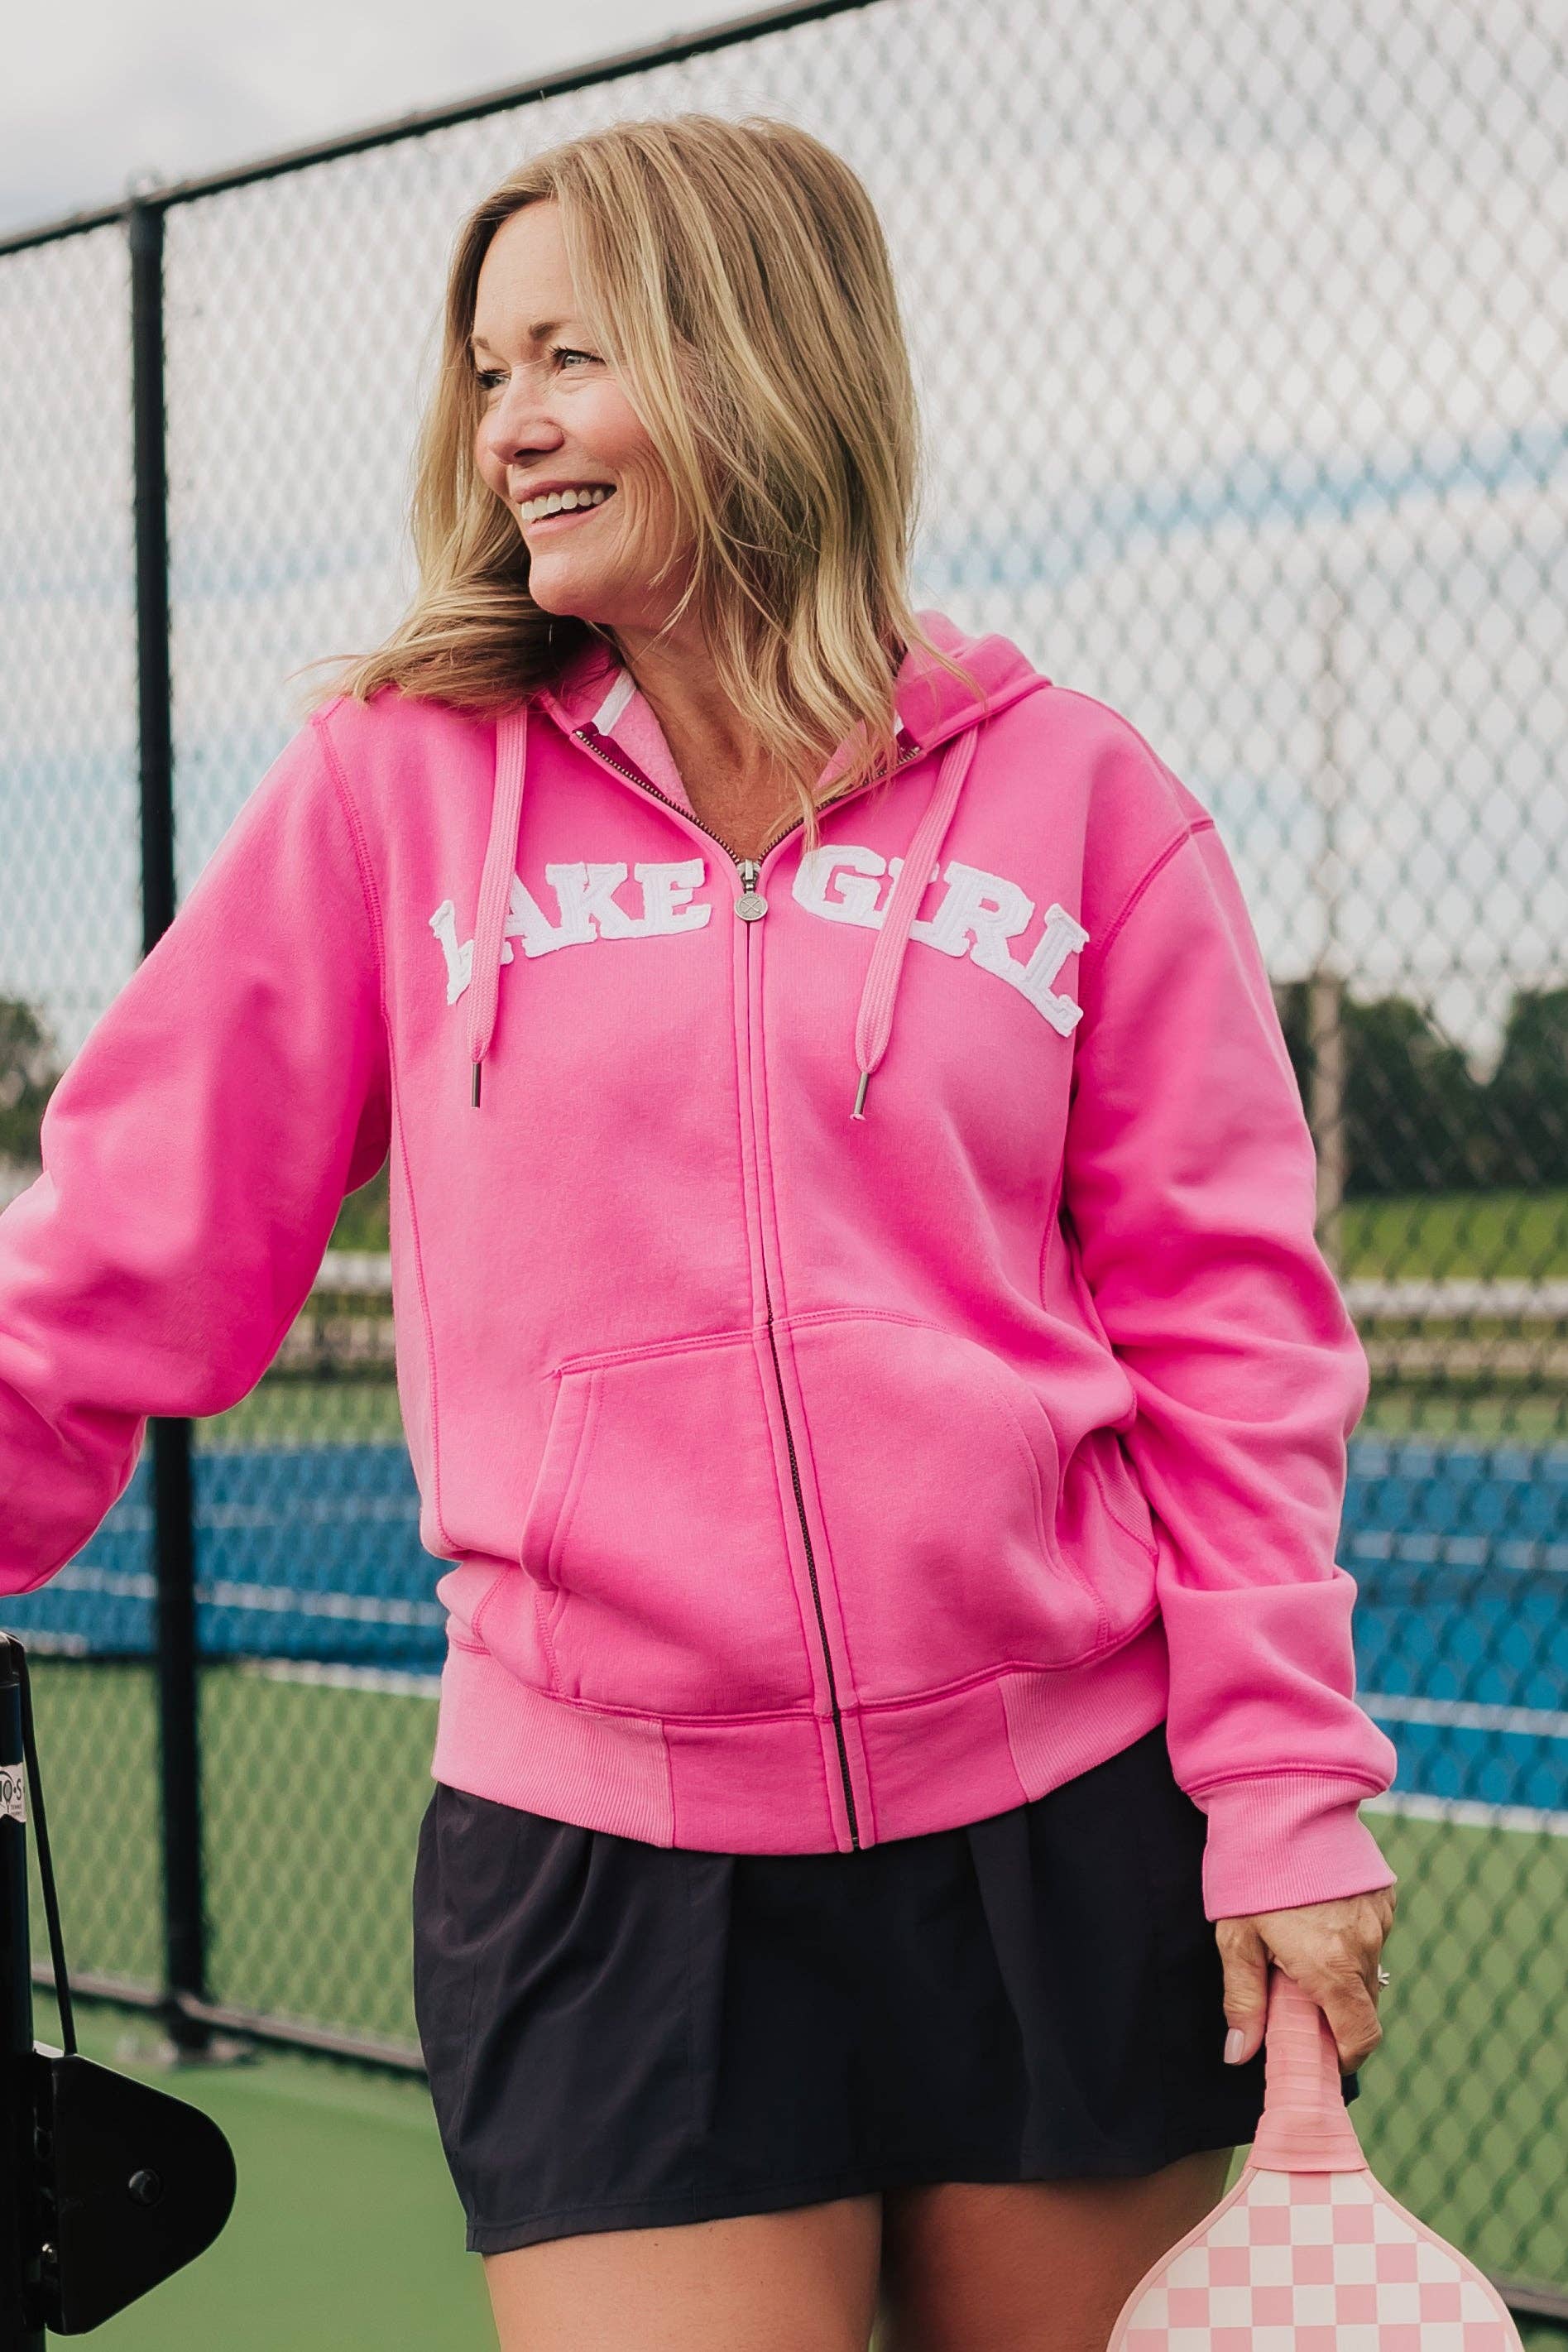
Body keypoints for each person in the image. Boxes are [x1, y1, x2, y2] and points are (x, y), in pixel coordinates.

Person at [0, 111, 1398, 2352]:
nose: (510, 425)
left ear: (759, 355)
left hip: (1056, 1833)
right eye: (489, 373)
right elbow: (114, 1256)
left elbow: (1228, 1332)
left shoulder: (1082, 798)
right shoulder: (393, 785)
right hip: (601, 1874)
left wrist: (1285, 1780)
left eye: (572, 356)